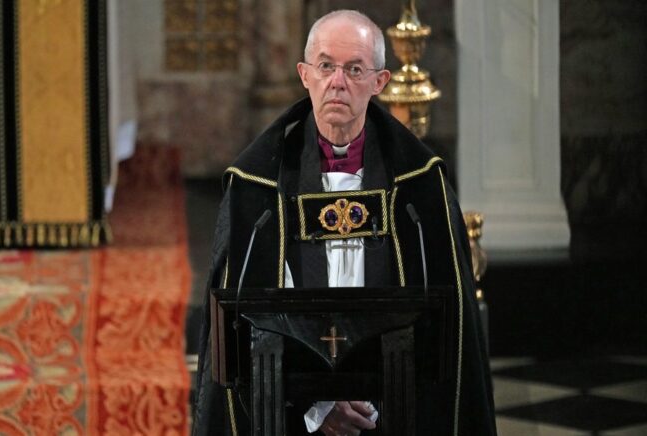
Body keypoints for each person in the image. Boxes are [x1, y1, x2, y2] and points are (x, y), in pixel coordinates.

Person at [193, 9, 497, 436]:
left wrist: (373, 397)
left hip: (394, 408)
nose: (338, 81)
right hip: (290, 413)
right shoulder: (258, 187)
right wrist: (319, 404)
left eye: (354, 69)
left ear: (380, 82)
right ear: (304, 74)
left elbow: (448, 326)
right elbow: (246, 322)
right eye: (325, 66)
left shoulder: (418, 185)